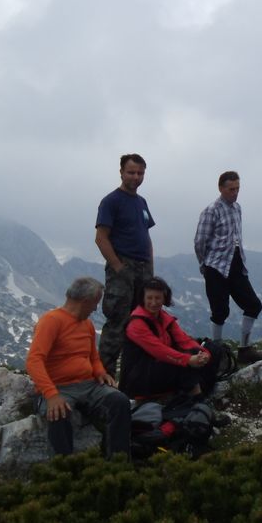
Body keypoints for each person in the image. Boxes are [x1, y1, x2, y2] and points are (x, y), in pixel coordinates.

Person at [26, 277, 132, 458]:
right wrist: (51, 395)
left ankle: (118, 460)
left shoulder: (87, 324)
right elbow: (34, 360)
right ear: (85, 301)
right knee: (59, 413)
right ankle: (64, 465)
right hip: (59, 387)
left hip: (88, 385)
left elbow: (92, 356)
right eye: (95, 303)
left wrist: (100, 372)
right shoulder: (51, 321)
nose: (95, 309)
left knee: (119, 401)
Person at [194, 170, 262, 364]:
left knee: (253, 304)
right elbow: (200, 241)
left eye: (237, 189)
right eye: (231, 189)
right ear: (221, 188)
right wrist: (205, 264)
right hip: (216, 266)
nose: (235, 193)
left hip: (235, 264)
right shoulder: (211, 210)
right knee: (219, 311)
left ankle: (245, 349)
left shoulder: (237, 208)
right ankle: (217, 352)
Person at [95, 153, 155, 377]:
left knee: (141, 322)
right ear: (121, 172)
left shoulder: (142, 202)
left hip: (144, 268)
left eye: (140, 173)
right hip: (123, 266)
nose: (136, 177)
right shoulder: (111, 201)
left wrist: (150, 268)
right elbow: (101, 238)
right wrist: (119, 268)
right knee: (117, 322)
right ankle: (105, 378)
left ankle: (133, 378)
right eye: (131, 172)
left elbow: (146, 236)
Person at [120, 277, 214, 399]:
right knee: (185, 367)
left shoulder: (163, 317)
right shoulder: (136, 323)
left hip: (156, 369)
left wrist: (204, 354)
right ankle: (198, 401)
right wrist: (188, 360)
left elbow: (184, 340)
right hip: (138, 379)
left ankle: (200, 397)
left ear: (164, 299)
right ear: (143, 299)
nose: (153, 302)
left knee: (207, 354)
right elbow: (159, 351)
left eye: (157, 298)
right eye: (149, 298)